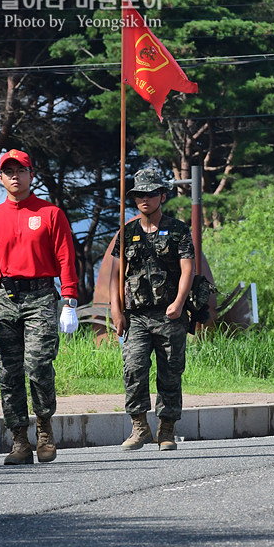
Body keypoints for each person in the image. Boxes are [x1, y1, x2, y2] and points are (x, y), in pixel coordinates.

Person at [0, 149, 79, 465]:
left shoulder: (50, 213)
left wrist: (70, 301)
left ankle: (45, 428)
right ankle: (19, 439)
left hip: (41, 296)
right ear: (1, 178)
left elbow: (66, 258)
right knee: (8, 370)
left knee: (38, 364)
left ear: (32, 175)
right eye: (8, 172)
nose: (14, 176)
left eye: (20, 170)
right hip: (4, 298)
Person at [110, 168, 194, 451]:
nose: (144, 199)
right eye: (139, 194)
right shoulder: (127, 232)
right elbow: (116, 275)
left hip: (169, 314)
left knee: (170, 371)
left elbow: (188, 270)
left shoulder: (179, 230)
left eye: (150, 193)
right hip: (136, 316)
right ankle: (139, 426)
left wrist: (179, 303)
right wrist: (116, 310)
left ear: (162, 195)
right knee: (133, 369)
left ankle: (167, 429)